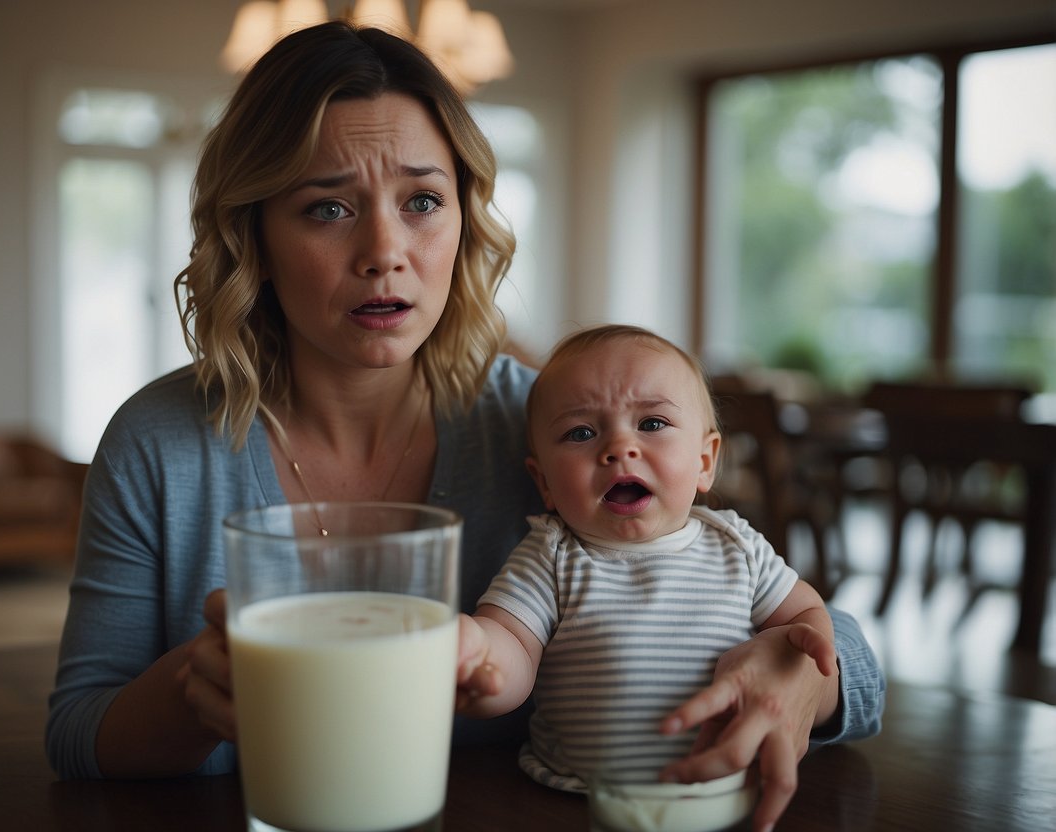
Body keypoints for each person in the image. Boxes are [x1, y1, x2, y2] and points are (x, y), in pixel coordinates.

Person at [45, 22, 884, 832]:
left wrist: (806, 677)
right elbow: (79, 733)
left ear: (465, 220)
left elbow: (788, 609)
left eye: (420, 200)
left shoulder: (556, 426)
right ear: (252, 234)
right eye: (326, 209)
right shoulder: (158, 442)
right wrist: (196, 695)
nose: (385, 250)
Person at [455, 325, 842, 823]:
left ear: (705, 461)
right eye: (581, 433)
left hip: (721, 798)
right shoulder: (551, 555)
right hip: (577, 800)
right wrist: (476, 657)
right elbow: (511, 645)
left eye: (653, 423)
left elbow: (805, 613)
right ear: (544, 482)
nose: (619, 447)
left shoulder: (737, 546)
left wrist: (811, 651)